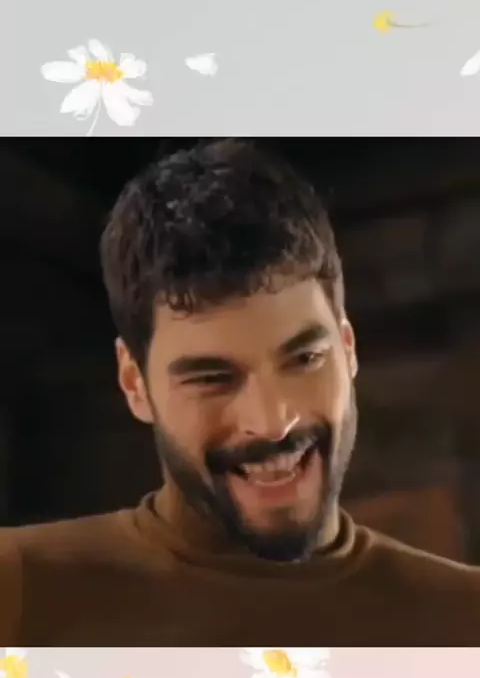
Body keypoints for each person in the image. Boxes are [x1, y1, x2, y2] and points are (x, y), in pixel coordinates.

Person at [1, 137, 480, 646]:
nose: (272, 421)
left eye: (304, 359)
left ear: (348, 347)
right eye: (212, 378)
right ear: (134, 383)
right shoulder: (20, 588)